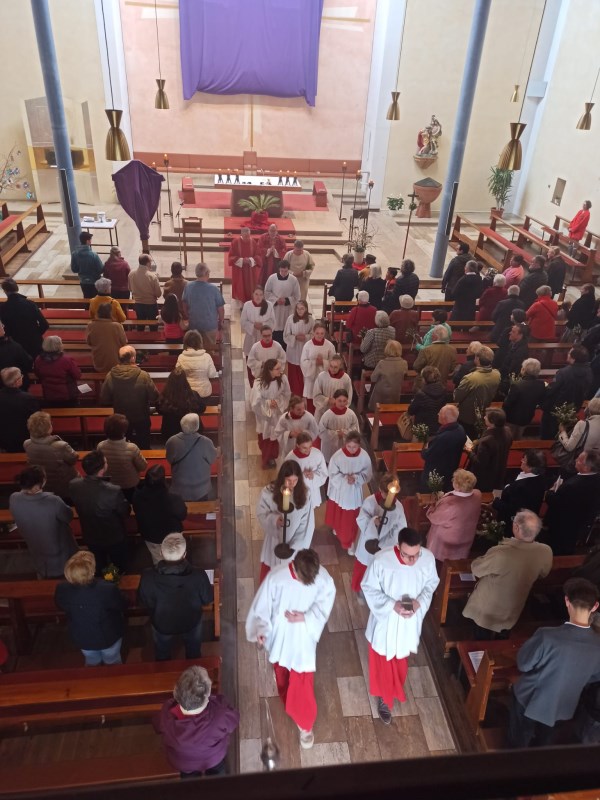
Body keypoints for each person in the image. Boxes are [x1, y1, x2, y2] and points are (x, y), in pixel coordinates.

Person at [246, 548, 335, 749]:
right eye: (304, 580)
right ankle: (290, 704)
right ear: (294, 566)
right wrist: (261, 629)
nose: (307, 584)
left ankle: (305, 724)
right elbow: (263, 605)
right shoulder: (276, 578)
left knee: (302, 682)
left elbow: (325, 601)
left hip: (303, 636)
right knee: (282, 674)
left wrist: (306, 617)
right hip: (280, 635)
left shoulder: (322, 578)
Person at [509, 577, 600, 747]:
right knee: (545, 742)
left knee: (518, 740)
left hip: (530, 697)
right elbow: (594, 677)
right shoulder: (598, 644)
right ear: (595, 607)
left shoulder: (547, 636)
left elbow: (524, 664)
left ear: (567, 601)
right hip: (564, 705)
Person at [362, 526, 439, 723]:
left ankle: (392, 691)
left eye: (416, 555)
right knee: (382, 661)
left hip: (408, 622)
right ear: (398, 547)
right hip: (386, 621)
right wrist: (391, 605)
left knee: (400, 661)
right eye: (406, 555)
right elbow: (368, 587)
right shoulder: (381, 560)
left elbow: (431, 584)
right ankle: (385, 699)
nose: (412, 561)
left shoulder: (428, 559)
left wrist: (419, 602)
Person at [462, 510, 553, 639]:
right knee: (503, 634)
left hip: (488, 608)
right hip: (514, 606)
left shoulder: (502, 552)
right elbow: (543, 574)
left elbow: (476, 569)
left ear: (516, 527)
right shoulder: (545, 551)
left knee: (481, 637)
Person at [138, 532, 213, 661]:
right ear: (184, 554)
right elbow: (207, 599)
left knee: (162, 652)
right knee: (193, 652)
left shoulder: (148, 576)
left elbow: (144, 602)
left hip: (162, 623)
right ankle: (193, 667)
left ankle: (163, 669)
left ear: (161, 553)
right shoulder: (199, 575)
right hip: (191, 622)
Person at [154, 664, 239, 777]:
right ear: (207, 695)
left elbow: (157, 726)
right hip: (213, 757)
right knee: (218, 771)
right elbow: (234, 720)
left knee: (188, 778)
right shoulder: (220, 713)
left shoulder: (167, 713)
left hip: (183, 762)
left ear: (176, 691)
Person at [55, 551, 127, 666]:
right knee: (112, 661)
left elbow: (60, 605)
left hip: (82, 636)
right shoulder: (107, 589)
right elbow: (121, 605)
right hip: (108, 635)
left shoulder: (62, 588)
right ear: (92, 571)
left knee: (91, 662)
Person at [9, 465, 77, 578]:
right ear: (38, 485)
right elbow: (68, 516)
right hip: (59, 551)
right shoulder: (53, 501)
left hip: (36, 548)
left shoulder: (14, 498)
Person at [68, 450, 130, 573]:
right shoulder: (113, 491)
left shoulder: (74, 485)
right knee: (118, 564)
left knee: (98, 564)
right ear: (102, 468)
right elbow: (125, 512)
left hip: (90, 533)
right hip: (113, 536)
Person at [256, 461, 313, 581]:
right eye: (288, 481)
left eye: (295, 481)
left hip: (294, 543)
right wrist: (274, 519)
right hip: (274, 541)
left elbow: (306, 523)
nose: (291, 485)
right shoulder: (269, 492)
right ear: (282, 478)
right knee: (271, 577)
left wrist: (295, 546)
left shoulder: (305, 495)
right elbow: (261, 513)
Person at [351, 474, 407, 593]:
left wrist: (387, 542)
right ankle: (360, 589)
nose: (387, 497)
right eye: (384, 493)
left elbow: (401, 528)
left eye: (391, 494)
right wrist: (373, 521)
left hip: (385, 545)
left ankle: (375, 591)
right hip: (368, 542)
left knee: (380, 570)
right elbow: (361, 518)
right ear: (380, 489)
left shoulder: (398, 507)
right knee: (364, 566)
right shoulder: (370, 501)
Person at [100, 345, 159, 449]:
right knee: (144, 444)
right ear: (132, 358)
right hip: (141, 417)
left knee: (123, 445)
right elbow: (154, 396)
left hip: (120, 418)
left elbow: (104, 399)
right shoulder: (143, 375)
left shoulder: (110, 375)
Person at [544, 449, 600, 555]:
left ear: (587, 468)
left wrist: (550, 492)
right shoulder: (596, 479)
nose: (575, 460)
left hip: (562, 526)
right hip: (582, 524)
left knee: (557, 551)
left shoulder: (571, 485)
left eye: (579, 460)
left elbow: (554, 501)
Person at [324, 430, 372, 550]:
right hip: (340, 489)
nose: (351, 449)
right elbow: (332, 473)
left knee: (349, 517)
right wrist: (345, 479)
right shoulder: (338, 456)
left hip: (353, 491)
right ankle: (336, 527)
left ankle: (348, 540)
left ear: (359, 445)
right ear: (345, 444)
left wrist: (356, 478)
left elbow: (367, 473)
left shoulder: (364, 456)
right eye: (349, 446)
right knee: (338, 511)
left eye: (354, 447)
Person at [132, 465, 187, 565]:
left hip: (151, 535)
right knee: (176, 559)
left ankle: (161, 574)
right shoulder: (173, 498)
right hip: (172, 535)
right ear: (163, 480)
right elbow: (183, 515)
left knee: (158, 559)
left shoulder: (137, 496)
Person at [426, 469, 482, 561]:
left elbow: (434, 518)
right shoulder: (477, 494)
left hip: (446, 543)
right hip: (466, 537)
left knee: (440, 563)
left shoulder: (451, 504)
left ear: (457, 485)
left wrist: (433, 506)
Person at [540, 345, 592, 439]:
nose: (567, 354)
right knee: (564, 434)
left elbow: (552, 390)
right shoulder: (588, 372)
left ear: (573, 358)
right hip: (573, 409)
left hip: (555, 410)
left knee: (548, 435)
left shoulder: (564, 373)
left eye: (569, 353)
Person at [24, 411, 78, 499]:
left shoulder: (27, 444)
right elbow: (74, 459)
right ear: (49, 428)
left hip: (42, 484)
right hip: (63, 486)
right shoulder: (60, 446)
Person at [166, 413, 217, 501]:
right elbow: (212, 460)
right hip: (201, 488)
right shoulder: (206, 442)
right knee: (201, 512)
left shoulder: (172, 441)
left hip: (179, 486)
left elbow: (170, 460)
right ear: (197, 426)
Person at [97, 413, 148, 502]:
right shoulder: (132, 448)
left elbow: (99, 466)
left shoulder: (100, 446)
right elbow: (143, 467)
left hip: (109, 485)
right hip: (130, 485)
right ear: (124, 431)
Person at [286, 431, 328, 538]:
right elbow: (285, 476)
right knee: (297, 512)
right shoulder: (291, 458)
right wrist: (300, 476)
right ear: (297, 445)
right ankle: (297, 531)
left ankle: (308, 531)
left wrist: (314, 475)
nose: (308, 450)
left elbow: (323, 472)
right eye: (304, 448)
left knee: (310, 512)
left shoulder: (317, 453)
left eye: (310, 446)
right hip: (298, 491)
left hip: (312, 490)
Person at [250, 359, 291, 469]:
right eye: (277, 369)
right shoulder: (258, 383)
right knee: (265, 436)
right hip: (264, 416)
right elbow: (255, 402)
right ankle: (266, 458)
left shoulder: (283, 379)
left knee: (275, 436)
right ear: (269, 370)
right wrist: (268, 404)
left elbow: (287, 394)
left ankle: (272, 457)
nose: (280, 370)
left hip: (277, 413)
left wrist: (277, 402)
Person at [492, 449, 547, 530]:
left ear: (531, 466)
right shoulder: (539, 478)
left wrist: (496, 502)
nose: (521, 460)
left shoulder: (523, 487)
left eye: (524, 460)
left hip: (513, 525)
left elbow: (513, 510)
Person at [454, 346, 501, 439]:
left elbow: (456, 397)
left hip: (467, 416)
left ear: (477, 359)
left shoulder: (470, 378)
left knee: (466, 439)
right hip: (484, 413)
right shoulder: (497, 374)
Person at [420, 404, 467, 492]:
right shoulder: (460, 429)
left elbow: (427, 455)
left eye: (440, 413)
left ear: (445, 418)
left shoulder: (443, 437)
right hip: (450, 469)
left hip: (436, 473)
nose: (438, 414)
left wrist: (425, 445)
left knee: (430, 493)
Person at [465, 408, 512, 492]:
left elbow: (479, 463)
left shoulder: (487, 442)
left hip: (485, 477)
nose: (484, 418)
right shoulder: (507, 431)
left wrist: (469, 451)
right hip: (499, 471)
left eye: (486, 416)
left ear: (492, 422)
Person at [0, 277, 49, 357]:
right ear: (17, 288)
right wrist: (36, 334)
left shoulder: (3, 308)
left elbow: (5, 329)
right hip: (35, 343)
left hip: (17, 344)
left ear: (5, 291)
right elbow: (45, 325)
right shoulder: (30, 304)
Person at [182, 263, 225, 348]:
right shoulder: (214, 289)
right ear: (207, 274)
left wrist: (188, 315)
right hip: (209, 326)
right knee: (209, 350)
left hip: (194, 325)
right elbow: (221, 308)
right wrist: (221, 321)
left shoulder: (188, 287)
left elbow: (184, 304)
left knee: (194, 349)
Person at [157, 367, 206, 440]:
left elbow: (159, 409)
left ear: (170, 381)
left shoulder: (164, 396)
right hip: (191, 431)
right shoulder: (193, 395)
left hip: (170, 432)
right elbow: (202, 408)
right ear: (185, 380)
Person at [240, 286, 276, 385]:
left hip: (265, 338)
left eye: (260, 294)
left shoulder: (269, 305)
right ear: (252, 294)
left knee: (265, 360)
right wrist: (252, 326)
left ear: (263, 295)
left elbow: (273, 321)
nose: (258, 297)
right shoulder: (247, 305)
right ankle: (253, 385)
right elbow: (243, 321)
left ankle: (266, 383)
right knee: (251, 360)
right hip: (251, 338)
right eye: (256, 294)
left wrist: (263, 325)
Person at [502, 358, 546, 439]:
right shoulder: (541, 384)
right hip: (527, 417)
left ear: (523, 369)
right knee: (519, 436)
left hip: (512, 419)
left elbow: (507, 404)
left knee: (508, 438)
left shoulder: (517, 385)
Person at [0, 366, 40, 452]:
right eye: (21, 376)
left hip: (2, 439)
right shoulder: (28, 399)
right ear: (17, 381)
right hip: (23, 439)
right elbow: (37, 418)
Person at [33, 335, 81, 406]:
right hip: (67, 396)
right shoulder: (66, 360)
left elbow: (37, 374)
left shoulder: (38, 360)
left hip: (49, 395)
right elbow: (77, 375)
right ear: (60, 345)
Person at [300, 322, 336, 412]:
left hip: (324, 377)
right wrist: (314, 362)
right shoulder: (307, 345)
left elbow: (334, 362)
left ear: (325, 333)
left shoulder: (329, 345)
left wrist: (323, 362)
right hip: (311, 378)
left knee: (323, 401)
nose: (319, 336)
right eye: (317, 333)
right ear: (313, 333)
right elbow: (303, 362)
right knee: (311, 400)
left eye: (322, 333)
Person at [264, 262, 301, 348]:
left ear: (288, 270)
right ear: (279, 269)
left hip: (287, 309)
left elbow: (297, 296)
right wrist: (276, 300)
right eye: (282, 271)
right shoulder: (272, 278)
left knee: (286, 327)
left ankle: (285, 348)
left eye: (285, 271)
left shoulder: (293, 279)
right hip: (275, 309)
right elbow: (266, 292)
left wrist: (287, 300)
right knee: (275, 327)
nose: (283, 273)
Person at [555, 397, 600, 468]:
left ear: (589, 410)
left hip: (583, 465)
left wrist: (563, 432)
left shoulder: (582, 424)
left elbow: (569, 447)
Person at [318, 389, 360, 463]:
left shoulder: (351, 414)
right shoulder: (327, 415)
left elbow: (355, 428)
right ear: (334, 400)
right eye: (339, 401)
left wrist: (345, 432)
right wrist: (336, 434)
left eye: (344, 401)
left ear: (347, 401)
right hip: (331, 446)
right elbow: (321, 432)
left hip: (345, 444)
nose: (342, 403)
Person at [274, 396, 319, 462]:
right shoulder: (284, 418)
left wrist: (304, 433)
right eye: (298, 409)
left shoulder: (309, 417)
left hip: (305, 449)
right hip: (289, 449)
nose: (302, 411)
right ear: (291, 409)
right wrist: (289, 434)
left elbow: (315, 431)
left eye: (303, 408)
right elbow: (278, 433)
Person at [175, 330, 218, 399]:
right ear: (200, 342)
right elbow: (212, 374)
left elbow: (178, 375)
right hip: (204, 392)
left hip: (187, 392)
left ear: (185, 342)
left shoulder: (181, 357)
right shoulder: (206, 356)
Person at [86, 301, 127, 372]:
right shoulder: (117, 326)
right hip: (115, 362)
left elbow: (89, 342)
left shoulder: (91, 325)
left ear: (98, 312)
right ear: (110, 313)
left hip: (98, 362)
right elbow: (124, 342)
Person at [283, 300, 313, 396]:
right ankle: (294, 392)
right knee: (293, 373)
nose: (300, 311)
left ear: (306, 309)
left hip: (305, 349)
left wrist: (306, 337)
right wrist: (295, 337)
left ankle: (303, 393)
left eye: (302, 308)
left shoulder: (311, 320)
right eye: (298, 308)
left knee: (303, 372)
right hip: (293, 349)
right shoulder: (290, 319)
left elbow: (313, 334)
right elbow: (286, 335)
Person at [311, 353, 352, 423]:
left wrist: (339, 403)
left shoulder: (346, 378)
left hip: (338, 412)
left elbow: (349, 397)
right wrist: (328, 400)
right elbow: (316, 395)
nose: (332, 369)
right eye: (331, 366)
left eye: (335, 367)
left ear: (340, 366)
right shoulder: (322, 376)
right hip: (322, 410)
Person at [368, 339, 408, 411]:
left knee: (378, 411)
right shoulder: (404, 363)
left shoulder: (382, 363)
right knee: (391, 411)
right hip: (395, 392)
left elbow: (373, 378)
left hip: (381, 393)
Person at [408, 366, 447, 434]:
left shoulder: (421, 394)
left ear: (424, 379)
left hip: (422, 429)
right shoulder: (443, 390)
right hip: (438, 426)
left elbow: (411, 411)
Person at [229, 226, 261, 304]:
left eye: (248, 236)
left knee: (250, 286)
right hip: (239, 270)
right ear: (241, 234)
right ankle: (241, 302)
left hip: (250, 269)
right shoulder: (235, 242)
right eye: (245, 236)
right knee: (241, 286)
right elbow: (231, 256)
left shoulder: (253, 242)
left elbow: (258, 255)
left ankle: (251, 300)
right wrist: (242, 260)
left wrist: (250, 260)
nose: (247, 238)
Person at [128, 254, 161, 330]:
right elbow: (158, 294)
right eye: (151, 262)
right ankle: (153, 340)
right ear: (148, 263)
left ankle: (140, 339)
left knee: (140, 325)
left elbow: (130, 288)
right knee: (153, 326)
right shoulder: (152, 276)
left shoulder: (131, 273)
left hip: (138, 304)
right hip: (151, 305)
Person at [70, 231, 103, 298]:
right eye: (90, 240)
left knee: (86, 298)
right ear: (87, 241)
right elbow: (101, 269)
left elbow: (74, 269)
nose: (91, 241)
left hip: (83, 281)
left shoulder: (74, 254)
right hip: (94, 281)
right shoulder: (93, 255)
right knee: (95, 300)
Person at [0, 320, 33, 386]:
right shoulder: (13, 346)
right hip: (16, 385)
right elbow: (28, 363)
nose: (3, 326)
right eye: (1, 325)